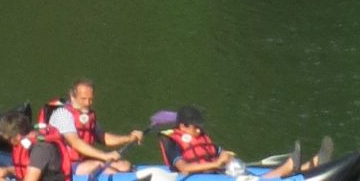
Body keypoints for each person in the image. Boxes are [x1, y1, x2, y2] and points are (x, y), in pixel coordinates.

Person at [165, 106, 331, 179]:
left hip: (217, 173)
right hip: (197, 177)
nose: (200, 130)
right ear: (182, 126)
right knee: (249, 178)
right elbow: (184, 168)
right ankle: (288, 168)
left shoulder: (200, 138)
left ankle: (309, 166)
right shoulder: (173, 144)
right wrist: (216, 163)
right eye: (196, 127)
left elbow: (219, 152)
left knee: (243, 171)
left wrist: (225, 156)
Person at [43, 80, 143, 175]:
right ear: (72, 97)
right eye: (83, 99)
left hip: (83, 161)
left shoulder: (88, 115)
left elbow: (103, 138)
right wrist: (105, 156)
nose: (87, 103)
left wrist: (129, 138)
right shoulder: (62, 114)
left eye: (90, 99)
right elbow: (75, 143)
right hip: (65, 165)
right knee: (107, 169)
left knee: (124, 166)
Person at [0, 110, 74, 181]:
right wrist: (6, 171)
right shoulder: (28, 140)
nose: (10, 143)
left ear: (17, 136)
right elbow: (27, 168)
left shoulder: (41, 149)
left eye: (7, 140)